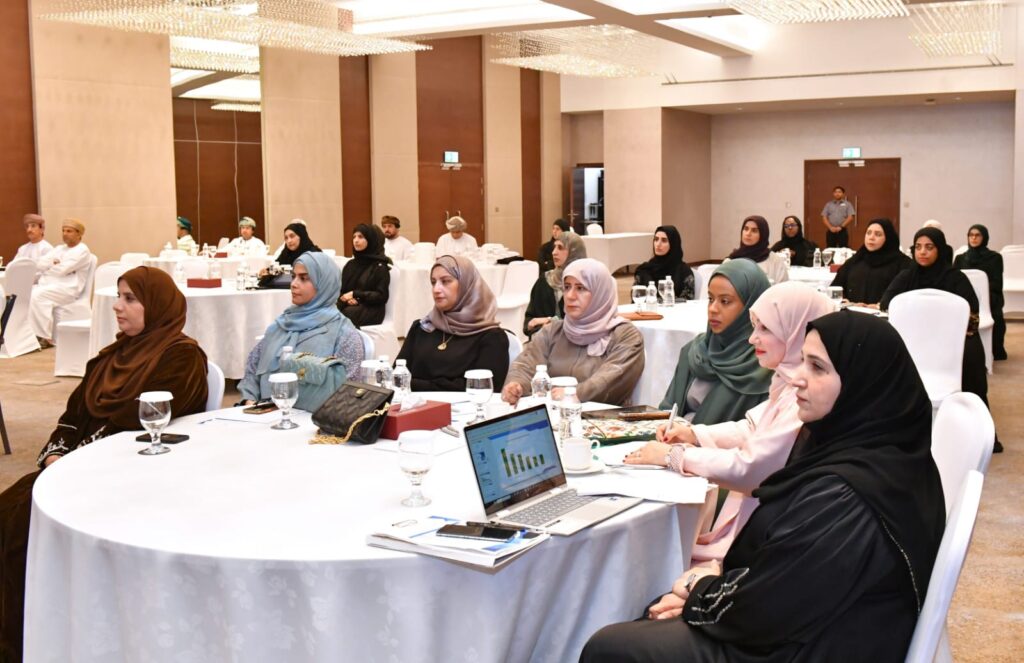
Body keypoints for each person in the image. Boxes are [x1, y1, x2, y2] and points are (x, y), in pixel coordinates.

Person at [581, 311, 945, 663]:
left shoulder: (849, 494)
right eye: (802, 361)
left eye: (817, 367)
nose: (798, 378)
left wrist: (699, 593)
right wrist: (713, 586)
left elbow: (772, 608)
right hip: (815, 624)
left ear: (862, 382)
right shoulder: (880, 453)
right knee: (648, 618)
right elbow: (793, 575)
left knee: (610, 646)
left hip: (808, 645)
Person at [0, 266, 209, 660]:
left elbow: (137, 424)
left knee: (21, 527)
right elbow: (72, 415)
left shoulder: (181, 358)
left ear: (156, 306)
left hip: (131, 473)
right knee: (11, 512)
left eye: (130, 299)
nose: (117, 306)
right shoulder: (111, 357)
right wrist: (56, 454)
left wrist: (73, 462)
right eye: (118, 297)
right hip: (74, 468)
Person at [624, 283, 834, 567]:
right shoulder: (787, 379)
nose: (752, 338)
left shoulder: (806, 395)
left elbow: (752, 467)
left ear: (796, 330)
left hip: (769, 534)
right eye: (755, 327)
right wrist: (693, 434)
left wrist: (674, 456)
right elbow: (753, 428)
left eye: (766, 329)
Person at [881, 227, 1000, 451]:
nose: (922, 252)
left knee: (971, 353)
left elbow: (972, 317)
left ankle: (974, 430)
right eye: (918, 247)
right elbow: (886, 303)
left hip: (948, 343)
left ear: (940, 250)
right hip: (914, 341)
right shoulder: (907, 275)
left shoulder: (955, 278)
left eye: (929, 247)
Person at [503, 258, 645, 406]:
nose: (570, 296)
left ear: (600, 293)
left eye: (580, 288)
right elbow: (526, 365)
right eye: (567, 287)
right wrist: (516, 385)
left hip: (603, 417)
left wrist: (575, 393)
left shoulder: (625, 336)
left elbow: (611, 379)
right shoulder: (553, 331)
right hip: (554, 413)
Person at [239, 252, 363, 404]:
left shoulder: (343, 334)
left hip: (314, 415)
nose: (293, 284)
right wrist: (249, 401)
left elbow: (347, 392)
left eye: (304, 278)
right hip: (263, 411)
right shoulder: (282, 324)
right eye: (293, 276)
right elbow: (253, 368)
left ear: (324, 284)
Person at [660, 259, 772, 424]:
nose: (712, 309)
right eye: (711, 299)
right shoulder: (695, 351)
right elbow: (667, 410)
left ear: (752, 306)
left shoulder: (764, 365)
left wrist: (692, 436)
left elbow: (757, 432)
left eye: (725, 301)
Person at [395, 255, 509, 391]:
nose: (436, 289)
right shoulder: (422, 328)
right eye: (433, 282)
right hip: (411, 403)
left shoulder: (491, 337)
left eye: (445, 281)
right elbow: (396, 376)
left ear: (467, 285)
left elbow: (482, 388)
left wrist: (414, 385)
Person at [28, 219, 92, 347]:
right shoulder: (59, 249)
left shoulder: (82, 250)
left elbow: (62, 270)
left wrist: (50, 266)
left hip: (68, 289)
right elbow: (39, 264)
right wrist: (54, 263)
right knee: (28, 292)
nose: (65, 234)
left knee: (38, 295)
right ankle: (31, 334)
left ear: (79, 234)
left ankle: (44, 336)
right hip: (49, 285)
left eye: (69, 231)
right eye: (63, 231)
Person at [830, 218, 912, 306]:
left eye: (878, 234)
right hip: (853, 312)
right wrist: (846, 303)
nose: (871, 237)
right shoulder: (855, 260)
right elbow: (834, 290)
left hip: (885, 313)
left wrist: (880, 306)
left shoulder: (903, 263)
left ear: (888, 237)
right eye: (868, 233)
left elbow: (907, 297)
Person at [955, 224, 1007, 360]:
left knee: (995, 313)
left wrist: (981, 289)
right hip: (965, 296)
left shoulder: (995, 258)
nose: (973, 238)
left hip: (988, 296)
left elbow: (997, 283)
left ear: (984, 238)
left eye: (977, 235)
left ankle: (995, 349)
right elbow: (954, 281)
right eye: (971, 235)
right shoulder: (960, 259)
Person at [523, 232, 586, 339]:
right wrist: (536, 326)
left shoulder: (585, 283)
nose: (554, 252)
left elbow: (587, 324)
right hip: (545, 343)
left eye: (560, 248)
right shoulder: (545, 280)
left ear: (574, 252)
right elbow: (529, 321)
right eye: (554, 247)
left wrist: (551, 322)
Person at [338, 223, 391, 328]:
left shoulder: (380, 266)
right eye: (354, 237)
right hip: (351, 305)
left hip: (372, 309)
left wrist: (356, 295)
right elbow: (343, 290)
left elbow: (381, 296)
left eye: (361, 237)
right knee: (328, 312)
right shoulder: (350, 264)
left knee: (344, 316)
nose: (356, 240)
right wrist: (349, 299)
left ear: (371, 240)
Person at [633, 226, 695, 301]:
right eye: (656, 239)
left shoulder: (684, 271)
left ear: (673, 244)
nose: (658, 244)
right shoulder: (644, 270)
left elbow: (688, 301)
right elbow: (636, 299)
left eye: (664, 240)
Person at [726, 215, 788, 284]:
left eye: (754, 231)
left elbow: (783, 287)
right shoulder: (732, 260)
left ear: (763, 234)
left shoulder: (774, 261)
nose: (748, 234)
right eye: (746, 229)